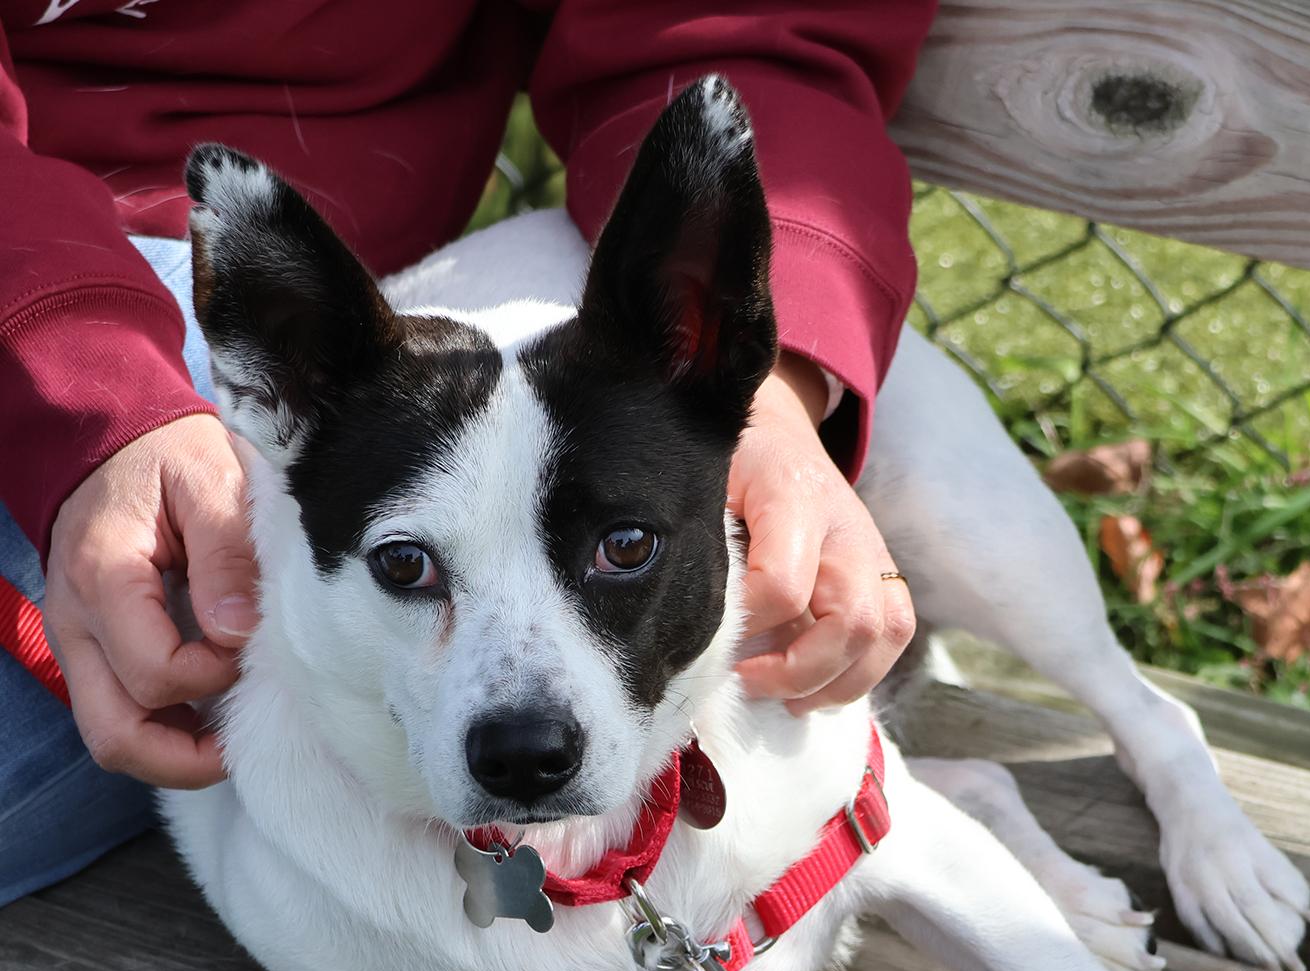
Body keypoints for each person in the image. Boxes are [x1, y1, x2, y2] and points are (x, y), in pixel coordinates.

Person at [0, 1, 932, 906]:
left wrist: (771, 385)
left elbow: (737, 25)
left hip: (321, 297)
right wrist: (72, 375)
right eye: (409, 566)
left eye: (622, 549)